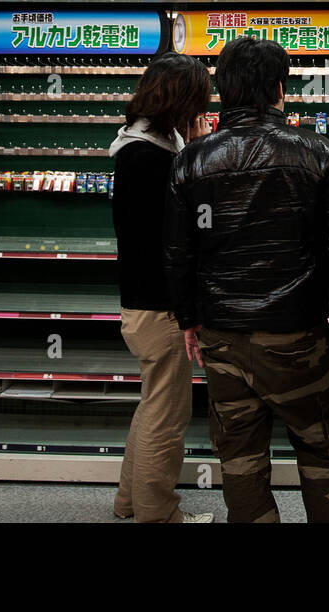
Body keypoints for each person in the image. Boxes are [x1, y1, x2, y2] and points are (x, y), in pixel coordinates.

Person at [164, 36, 329, 523]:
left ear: (223, 89)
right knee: (324, 454)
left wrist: (188, 318)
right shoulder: (315, 153)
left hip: (222, 333)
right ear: (280, 87)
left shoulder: (191, 160)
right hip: (300, 333)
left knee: (241, 462)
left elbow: (177, 253)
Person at [109, 52, 214, 523]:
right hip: (160, 307)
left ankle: (130, 502)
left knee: (154, 404)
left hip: (142, 303)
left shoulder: (139, 146)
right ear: (180, 99)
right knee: (167, 416)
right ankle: (159, 514)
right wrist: (198, 153)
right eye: (197, 99)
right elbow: (180, 232)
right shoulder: (151, 158)